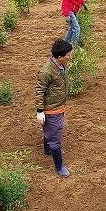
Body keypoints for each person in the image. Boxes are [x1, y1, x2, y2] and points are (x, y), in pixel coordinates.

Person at [35, 39, 74, 177]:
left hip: (58, 105)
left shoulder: (61, 64)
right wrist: (40, 111)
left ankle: (47, 149)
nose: (70, 57)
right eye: (68, 55)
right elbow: (39, 90)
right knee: (55, 136)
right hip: (52, 109)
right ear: (59, 57)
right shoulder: (46, 72)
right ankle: (59, 166)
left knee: (49, 130)